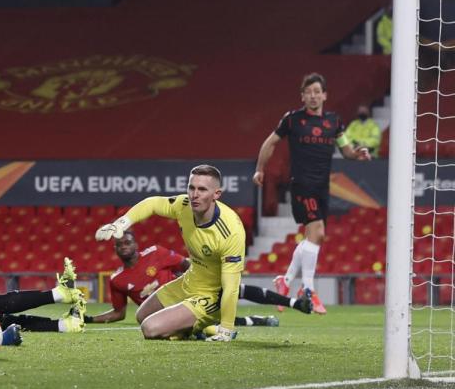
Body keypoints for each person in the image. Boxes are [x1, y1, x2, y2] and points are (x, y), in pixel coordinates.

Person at [253, 73, 371, 315]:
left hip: (321, 187)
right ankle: (308, 289)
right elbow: (269, 143)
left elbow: (346, 150)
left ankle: (285, 281)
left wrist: (358, 154)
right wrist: (260, 169)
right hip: (301, 184)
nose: (313, 95)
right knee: (318, 232)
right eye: (309, 92)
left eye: (317, 91)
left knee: (312, 237)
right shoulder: (292, 119)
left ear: (325, 95)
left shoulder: (334, 122)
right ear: (303, 96)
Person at [95, 164, 244, 342]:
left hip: (211, 296)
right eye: (191, 188)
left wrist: (226, 329)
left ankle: (208, 325)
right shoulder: (184, 206)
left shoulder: (231, 231)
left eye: (202, 190)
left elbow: (231, 287)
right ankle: (189, 330)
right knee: (142, 315)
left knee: (149, 328)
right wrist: (122, 223)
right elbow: (152, 204)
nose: (194, 195)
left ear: (216, 194)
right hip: (190, 282)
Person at [85, 230, 312, 327]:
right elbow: (119, 313)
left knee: (236, 289)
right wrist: (90, 320)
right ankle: (256, 321)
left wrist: (202, 282)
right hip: (168, 310)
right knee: (202, 326)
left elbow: (187, 265)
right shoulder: (117, 279)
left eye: (128, 242)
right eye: (120, 244)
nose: (124, 246)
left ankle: (293, 303)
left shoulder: (156, 252)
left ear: (136, 244)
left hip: (189, 292)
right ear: (115, 249)